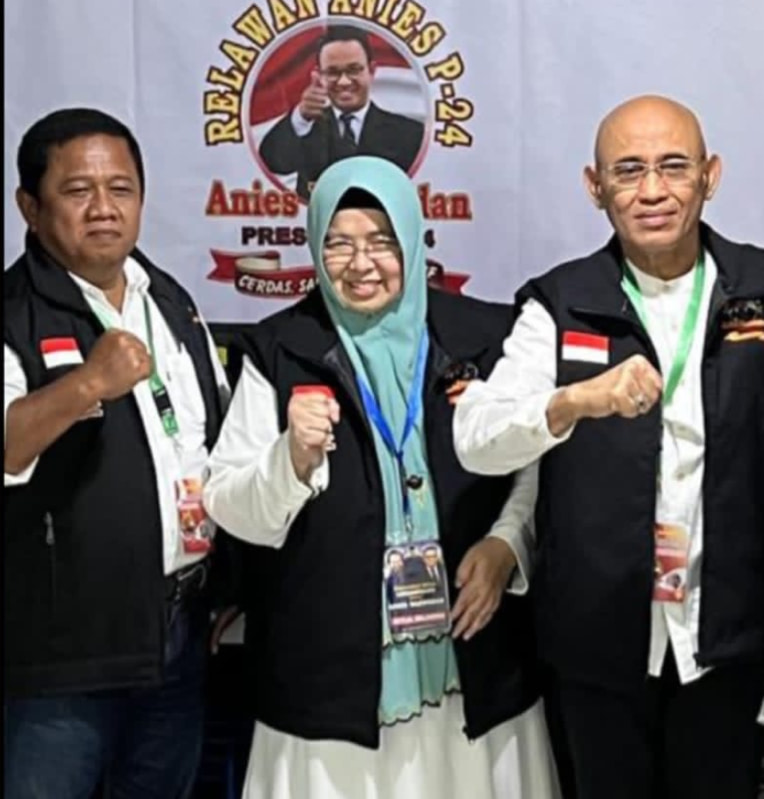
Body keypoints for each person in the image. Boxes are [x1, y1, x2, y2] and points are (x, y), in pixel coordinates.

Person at [203, 156, 561, 798]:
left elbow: (534, 463)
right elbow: (230, 504)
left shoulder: (482, 336)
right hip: (332, 671)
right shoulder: (279, 350)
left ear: (414, 240)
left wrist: (507, 544)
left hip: (474, 659)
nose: (360, 264)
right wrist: (291, 459)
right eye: (337, 244)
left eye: (381, 242)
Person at [453, 95, 764, 799]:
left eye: (673, 167)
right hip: (598, 644)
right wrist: (573, 401)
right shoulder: (559, 303)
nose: (652, 190)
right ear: (595, 187)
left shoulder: (757, 289)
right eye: (628, 171)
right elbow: (476, 439)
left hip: (730, 639)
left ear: (711, 175)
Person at [3, 108, 229, 799]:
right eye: (78, 190)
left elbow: (209, 444)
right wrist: (86, 384)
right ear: (30, 207)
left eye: (121, 188)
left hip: (178, 628)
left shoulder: (171, 300)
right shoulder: (12, 312)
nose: (103, 207)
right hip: (62, 652)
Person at [259, 24, 425, 199]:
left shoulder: (410, 134)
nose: (344, 82)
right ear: (319, 75)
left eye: (354, 70)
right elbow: (273, 162)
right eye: (333, 72)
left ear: (371, 71)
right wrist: (301, 116)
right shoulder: (304, 128)